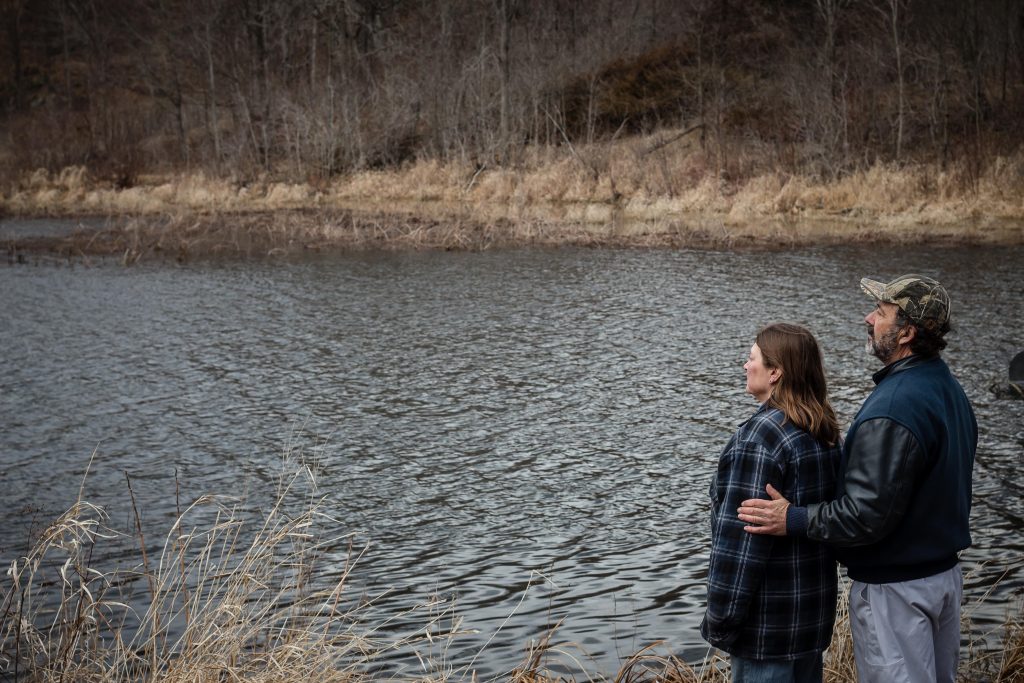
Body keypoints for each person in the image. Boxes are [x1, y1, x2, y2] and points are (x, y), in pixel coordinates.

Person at [737, 274, 977, 683]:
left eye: (881, 314)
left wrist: (792, 518)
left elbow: (864, 516)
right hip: (941, 580)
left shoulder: (895, 407)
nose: (868, 318)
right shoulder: (946, 387)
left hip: (899, 592)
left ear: (907, 333)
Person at [701, 323, 842, 683]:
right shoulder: (822, 432)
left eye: (752, 359)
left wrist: (720, 622)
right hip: (810, 622)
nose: (745, 366)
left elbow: (741, 544)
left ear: (775, 371)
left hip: (766, 633)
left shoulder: (760, 438)